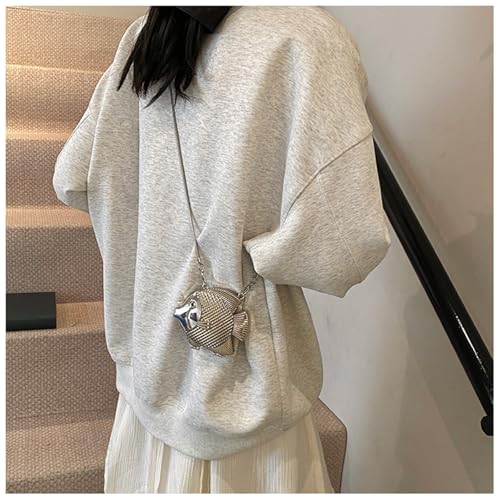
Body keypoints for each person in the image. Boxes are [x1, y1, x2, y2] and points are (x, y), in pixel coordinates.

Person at [52, 5, 391, 494]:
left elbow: (74, 177)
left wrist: (149, 236)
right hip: (253, 416)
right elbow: (350, 240)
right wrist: (262, 254)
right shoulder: (306, 39)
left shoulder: (148, 34)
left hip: (146, 386)